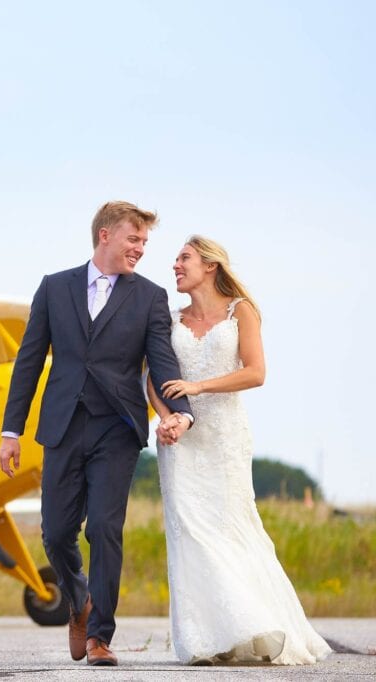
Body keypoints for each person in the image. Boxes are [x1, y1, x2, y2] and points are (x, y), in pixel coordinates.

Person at [0, 201, 193, 666]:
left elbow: (162, 361)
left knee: (105, 528)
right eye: (134, 239)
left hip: (118, 427)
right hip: (63, 425)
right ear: (105, 235)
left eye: (145, 242)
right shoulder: (54, 288)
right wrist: (11, 431)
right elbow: (29, 362)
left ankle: (100, 635)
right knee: (56, 532)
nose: (141, 249)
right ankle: (79, 602)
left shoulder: (149, 297)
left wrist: (180, 411)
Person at [149, 236, 332, 666]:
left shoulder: (240, 311)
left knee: (230, 526)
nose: (175, 265)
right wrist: (166, 416)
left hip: (225, 436)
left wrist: (198, 387)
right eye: (175, 259)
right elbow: (153, 378)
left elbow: (256, 372)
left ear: (210, 266)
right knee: (188, 531)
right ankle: (206, 637)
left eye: (184, 258)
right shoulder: (170, 320)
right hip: (181, 441)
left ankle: (252, 624)